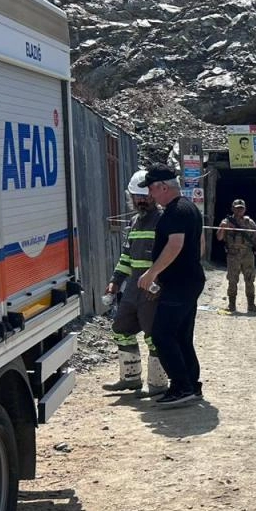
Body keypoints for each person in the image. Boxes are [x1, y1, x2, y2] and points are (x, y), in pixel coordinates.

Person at [137, 164, 207, 406]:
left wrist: (152, 273)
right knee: (181, 336)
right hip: (188, 280)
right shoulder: (189, 208)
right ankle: (191, 385)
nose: (150, 195)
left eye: (151, 189)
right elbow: (200, 245)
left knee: (162, 334)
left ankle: (181, 386)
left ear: (163, 187)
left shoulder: (176, 211)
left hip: (180, 284)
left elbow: (175, 244)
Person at [102, 170, 169, 398]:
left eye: (145, 196)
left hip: (152, 290)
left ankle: (158, 384)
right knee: (121, 329)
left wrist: (159, 283)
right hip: (132, 289)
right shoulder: (134, 222)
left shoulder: (164, 221)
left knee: (153, 336)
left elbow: (170, 257)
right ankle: (130, 379)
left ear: (153, 195)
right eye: (136, 196)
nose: (141, 200)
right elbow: (126, 257)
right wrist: (115, 281)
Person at [217, 199, 256, 312]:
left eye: (241, 208)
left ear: (245, 209)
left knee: (249, 279)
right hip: (233, 255)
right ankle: (231, 305)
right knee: (232, 280)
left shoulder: (250, 222)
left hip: (247, 254)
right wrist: (222, 227)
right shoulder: (226, 222)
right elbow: (219, 237)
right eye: (237, 208)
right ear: (232, 209)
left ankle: (251, 304)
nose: (239, 210)